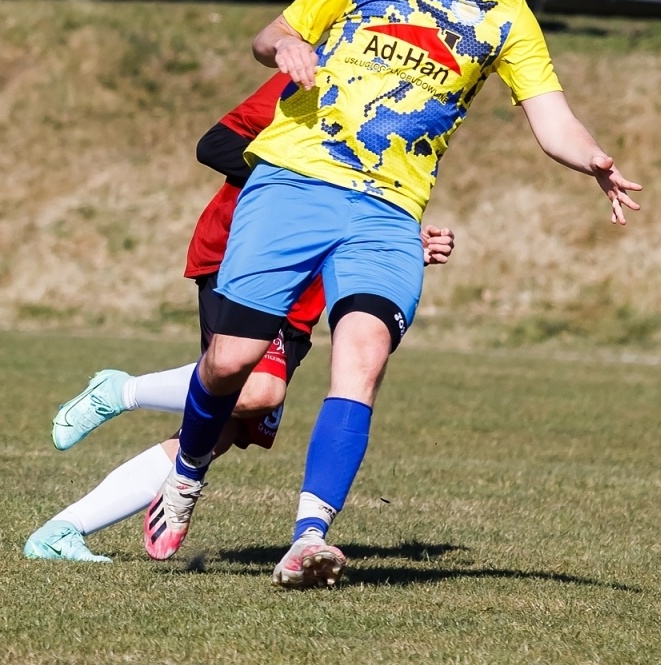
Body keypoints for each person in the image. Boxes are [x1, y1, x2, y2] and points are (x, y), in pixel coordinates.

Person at [146, 0, 641, 588]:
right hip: (294, 180)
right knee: (228, 362)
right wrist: (285, 45)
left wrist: (593, 159)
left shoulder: (505, 14)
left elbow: (550, 117)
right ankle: (187, 474)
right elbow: (272, 33)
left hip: (388, 212)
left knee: (363, 357)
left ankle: (308, 537)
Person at [26, 76, 453, 563]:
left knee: (222, 430)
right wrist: (297, 192)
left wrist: (403, 244)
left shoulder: (418, 104)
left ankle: (62, 531)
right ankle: (122, 391)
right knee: (256, 390)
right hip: (247, 253)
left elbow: (369, 200)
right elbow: (216, 144)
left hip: (310, 286)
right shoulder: (319, 74)